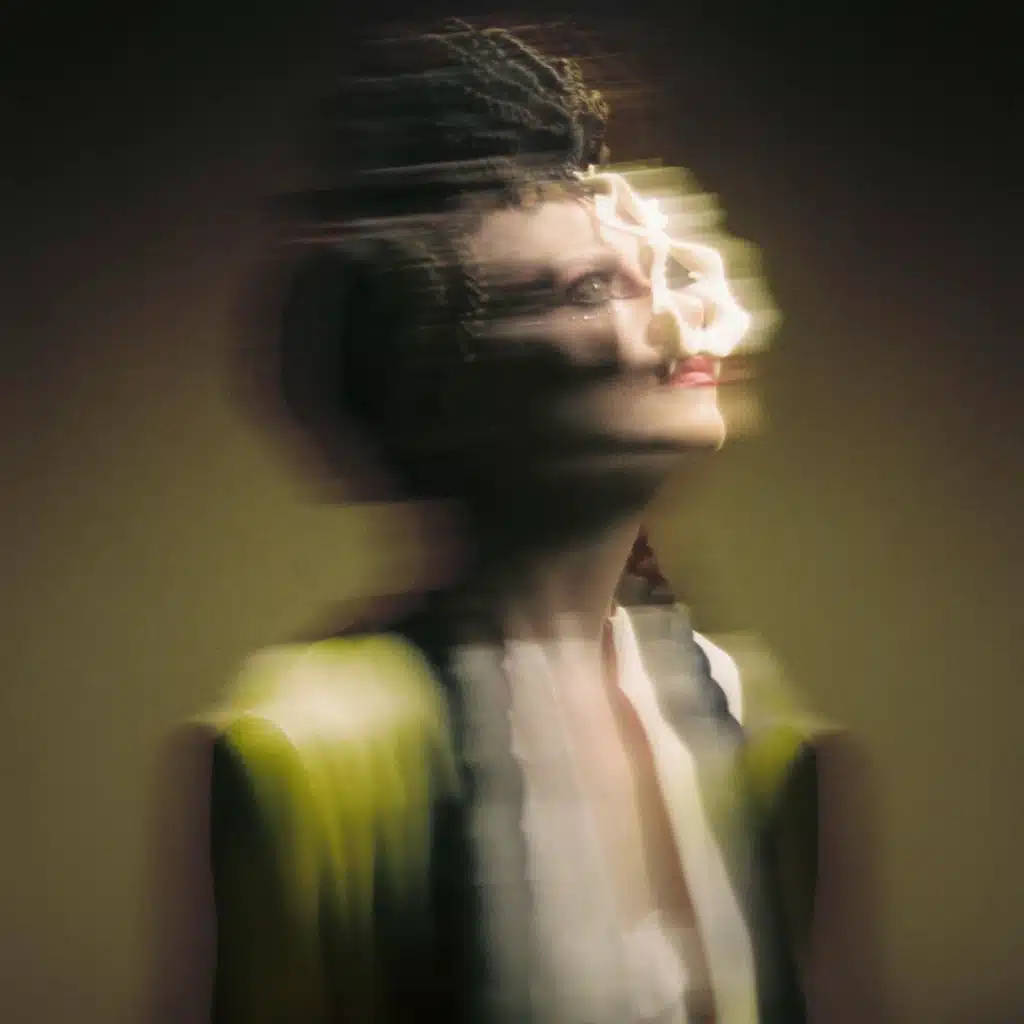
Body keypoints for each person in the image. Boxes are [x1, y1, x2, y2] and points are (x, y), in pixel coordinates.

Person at [165, 21, 884, 1024]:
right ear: (443, 387)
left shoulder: (747, 717)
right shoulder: (305, 744)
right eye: (586, 292)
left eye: (652, 272)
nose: (675, 320)